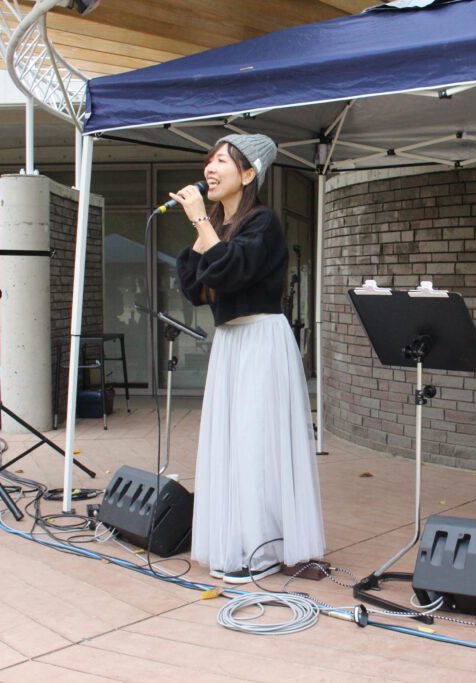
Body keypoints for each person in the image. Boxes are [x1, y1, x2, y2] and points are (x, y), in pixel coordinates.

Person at [171, 134, 325, 584]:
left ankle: (261, 549)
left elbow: (232, 269)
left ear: (249, 173)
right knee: (231, 442)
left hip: (261, 338)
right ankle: (234, 541)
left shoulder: (264, 223)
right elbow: (196, 286)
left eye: (221, 161)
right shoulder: (218, 226)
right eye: (209, 161)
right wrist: (204, 226)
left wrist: (201, 219)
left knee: (257, 444)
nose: (210, 170)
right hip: (230, 342)